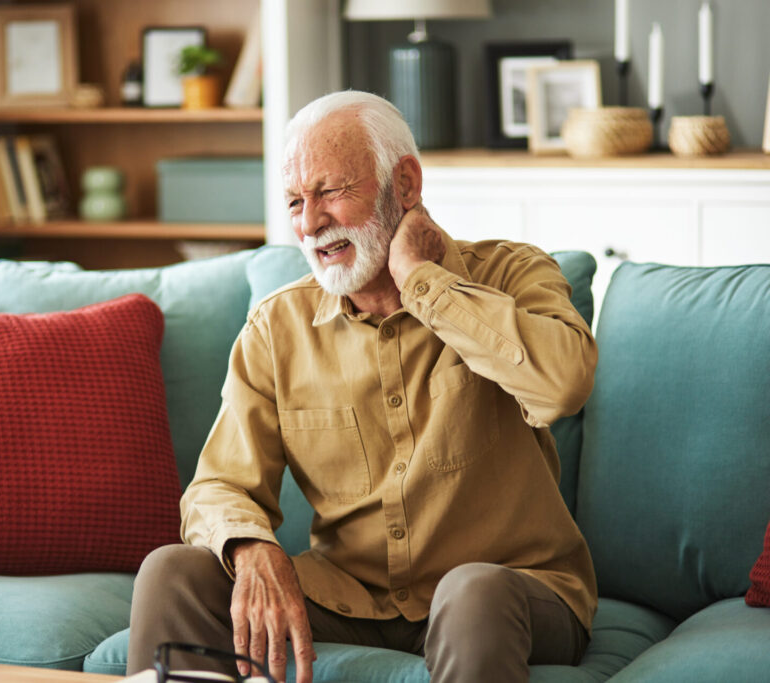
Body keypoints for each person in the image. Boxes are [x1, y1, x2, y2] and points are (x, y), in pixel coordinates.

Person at [127, 91, 597, 683]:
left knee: (471, 592)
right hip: (350, 600)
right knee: (174, 572)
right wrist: (252, 549)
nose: (308, 222)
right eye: (296, 201)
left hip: (511, 591)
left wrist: (425, 284)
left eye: (329, 192)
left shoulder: (512, 273)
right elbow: (218, 486)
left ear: (404, 184)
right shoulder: (278, 328)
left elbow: (562, 386)